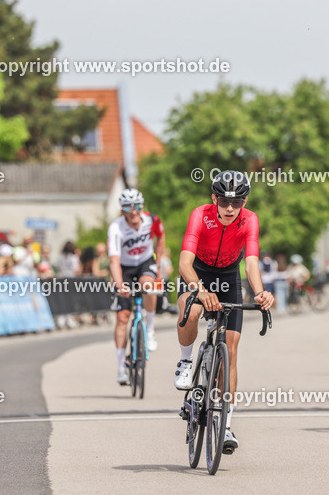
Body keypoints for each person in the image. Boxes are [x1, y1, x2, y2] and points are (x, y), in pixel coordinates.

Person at [174, 170, 273, 455]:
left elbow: (251, 263)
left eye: (238, 202)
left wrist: (259, 292)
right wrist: (200, 290)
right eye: (225, 201)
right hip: (198, 272)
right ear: (214, 198)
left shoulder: (249, 220)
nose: (231, 208)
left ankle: (226, 423)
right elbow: (184, 263)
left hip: (229, 277)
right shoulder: (200, 215)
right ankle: (185, 361)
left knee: (230, 349)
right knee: (190, 311)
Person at [107, 188, 166, 383]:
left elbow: (160, 237)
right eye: (127, 207)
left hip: (144, 262)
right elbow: (114, 261)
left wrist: (157, 264)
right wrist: (120, 285)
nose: (133, 211)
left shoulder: (152, 220)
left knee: (148, 286)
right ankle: (120, 367)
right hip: (124, 267)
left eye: (137, 206)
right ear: (122, 209)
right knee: (123, 318)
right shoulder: (116, 228)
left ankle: (149, 330)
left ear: (142, 206)